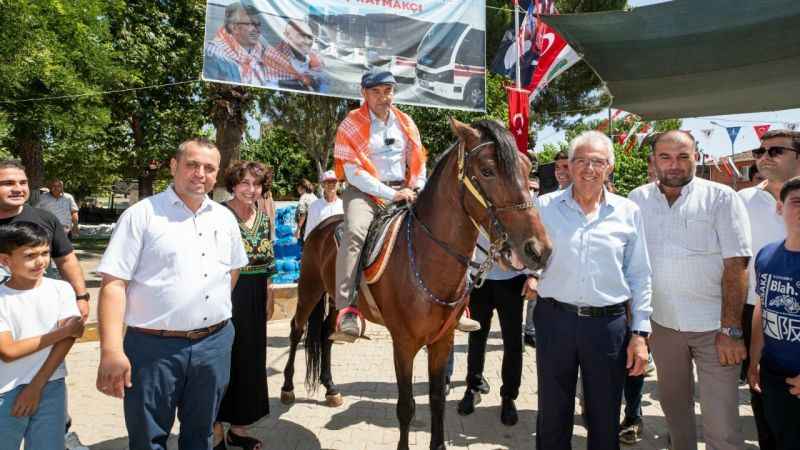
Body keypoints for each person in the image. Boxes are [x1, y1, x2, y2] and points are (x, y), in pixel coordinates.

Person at [95, 138, 248, 450]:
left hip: (213, 345)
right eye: (192, 164)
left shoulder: (224, 218)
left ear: (216, 175)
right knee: (149, 438)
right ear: (174, 166)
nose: (199, 173)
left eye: (209, 168)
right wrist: (111, 350)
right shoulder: (142, 216)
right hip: (153, 349)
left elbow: (232, 272)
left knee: (202, 434)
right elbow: (113, 284)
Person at [628, 130, 751, 450]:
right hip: (664, 326)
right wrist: (639, 328)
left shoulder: (722, 197)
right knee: (675, 416)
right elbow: (633, 266)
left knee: (722, 426)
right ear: (653, 160)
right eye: (665, 156)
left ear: (696, 157)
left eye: (684, 156)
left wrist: (732, 329)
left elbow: (736, 266)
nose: (675, 165)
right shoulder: (637, 200)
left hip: (716, 330)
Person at [534, 131, 652, 450]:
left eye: (597, 162)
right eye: (581, 161)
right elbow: (526, 257)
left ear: (609, 167)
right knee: (552, 413)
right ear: (568, 167)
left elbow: (640, 274)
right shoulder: (542, 206)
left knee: (604, 415)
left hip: (607, 326)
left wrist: (640, 333)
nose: (589, 168)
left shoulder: (628, 212)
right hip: (554, 319)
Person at [0, 160, 90, 450]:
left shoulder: (44, 218)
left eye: (22, 182)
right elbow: (8, 350)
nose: (17, 189)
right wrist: (64, 332)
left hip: (43, 357)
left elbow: (66, 259)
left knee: (47, 418)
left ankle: (62, 433)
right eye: (7, 183)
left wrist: (81, 295)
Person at [738, 129, 800, 449]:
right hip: (757, 312)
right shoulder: (742, 200)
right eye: (759, 151)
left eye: (775, 151)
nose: (763, 157)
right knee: (764, 401)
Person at [213, 161, 275, 450]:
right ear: (233, 184)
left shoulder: (263, 217)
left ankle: (238, 429)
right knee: (221, 359)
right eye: (245, 183)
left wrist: (269, 292)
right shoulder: (218, 214)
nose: (252, 190)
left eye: (257, 184)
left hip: (256, 293)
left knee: (249, 360)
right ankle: (213, 430)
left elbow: (268, 258)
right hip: (226, 293)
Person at [457, 233, 538, 426]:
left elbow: (532, 234)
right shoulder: (477, 201)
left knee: (513, 342)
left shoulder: (524, 201)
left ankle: (509, 396)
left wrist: (534, 274)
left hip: (512, 278)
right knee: (477, 336)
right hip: (480, 276)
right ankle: (474, 387)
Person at [204, 2, 269, 85]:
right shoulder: (212, 54)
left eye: (258, 24)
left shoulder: (262, 54)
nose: (257, 30)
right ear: (234, 28)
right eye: (251, 24)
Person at [263, 20, 328, 92]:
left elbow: (324, 86)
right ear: (287, 35)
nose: (307, 41)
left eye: (310, 37)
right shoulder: (273, 58)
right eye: (301, 35)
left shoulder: (316, 60)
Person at [304, 170, 343, 240]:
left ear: (338, 184)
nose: (331, 184)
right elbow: (308, 233)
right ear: (322, 185)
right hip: (320, 248)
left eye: (334, 182)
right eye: (327, 182)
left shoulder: (344, 206)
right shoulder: (314, 206)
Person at [294, 178, 317, 242]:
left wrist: (298, 229)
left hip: (306, 227)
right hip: (316, 227)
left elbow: (303, 214)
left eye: (298, 187)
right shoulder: (313, 196)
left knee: (305, 246)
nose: (297, 190)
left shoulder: (304, 197)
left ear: (301, 187)